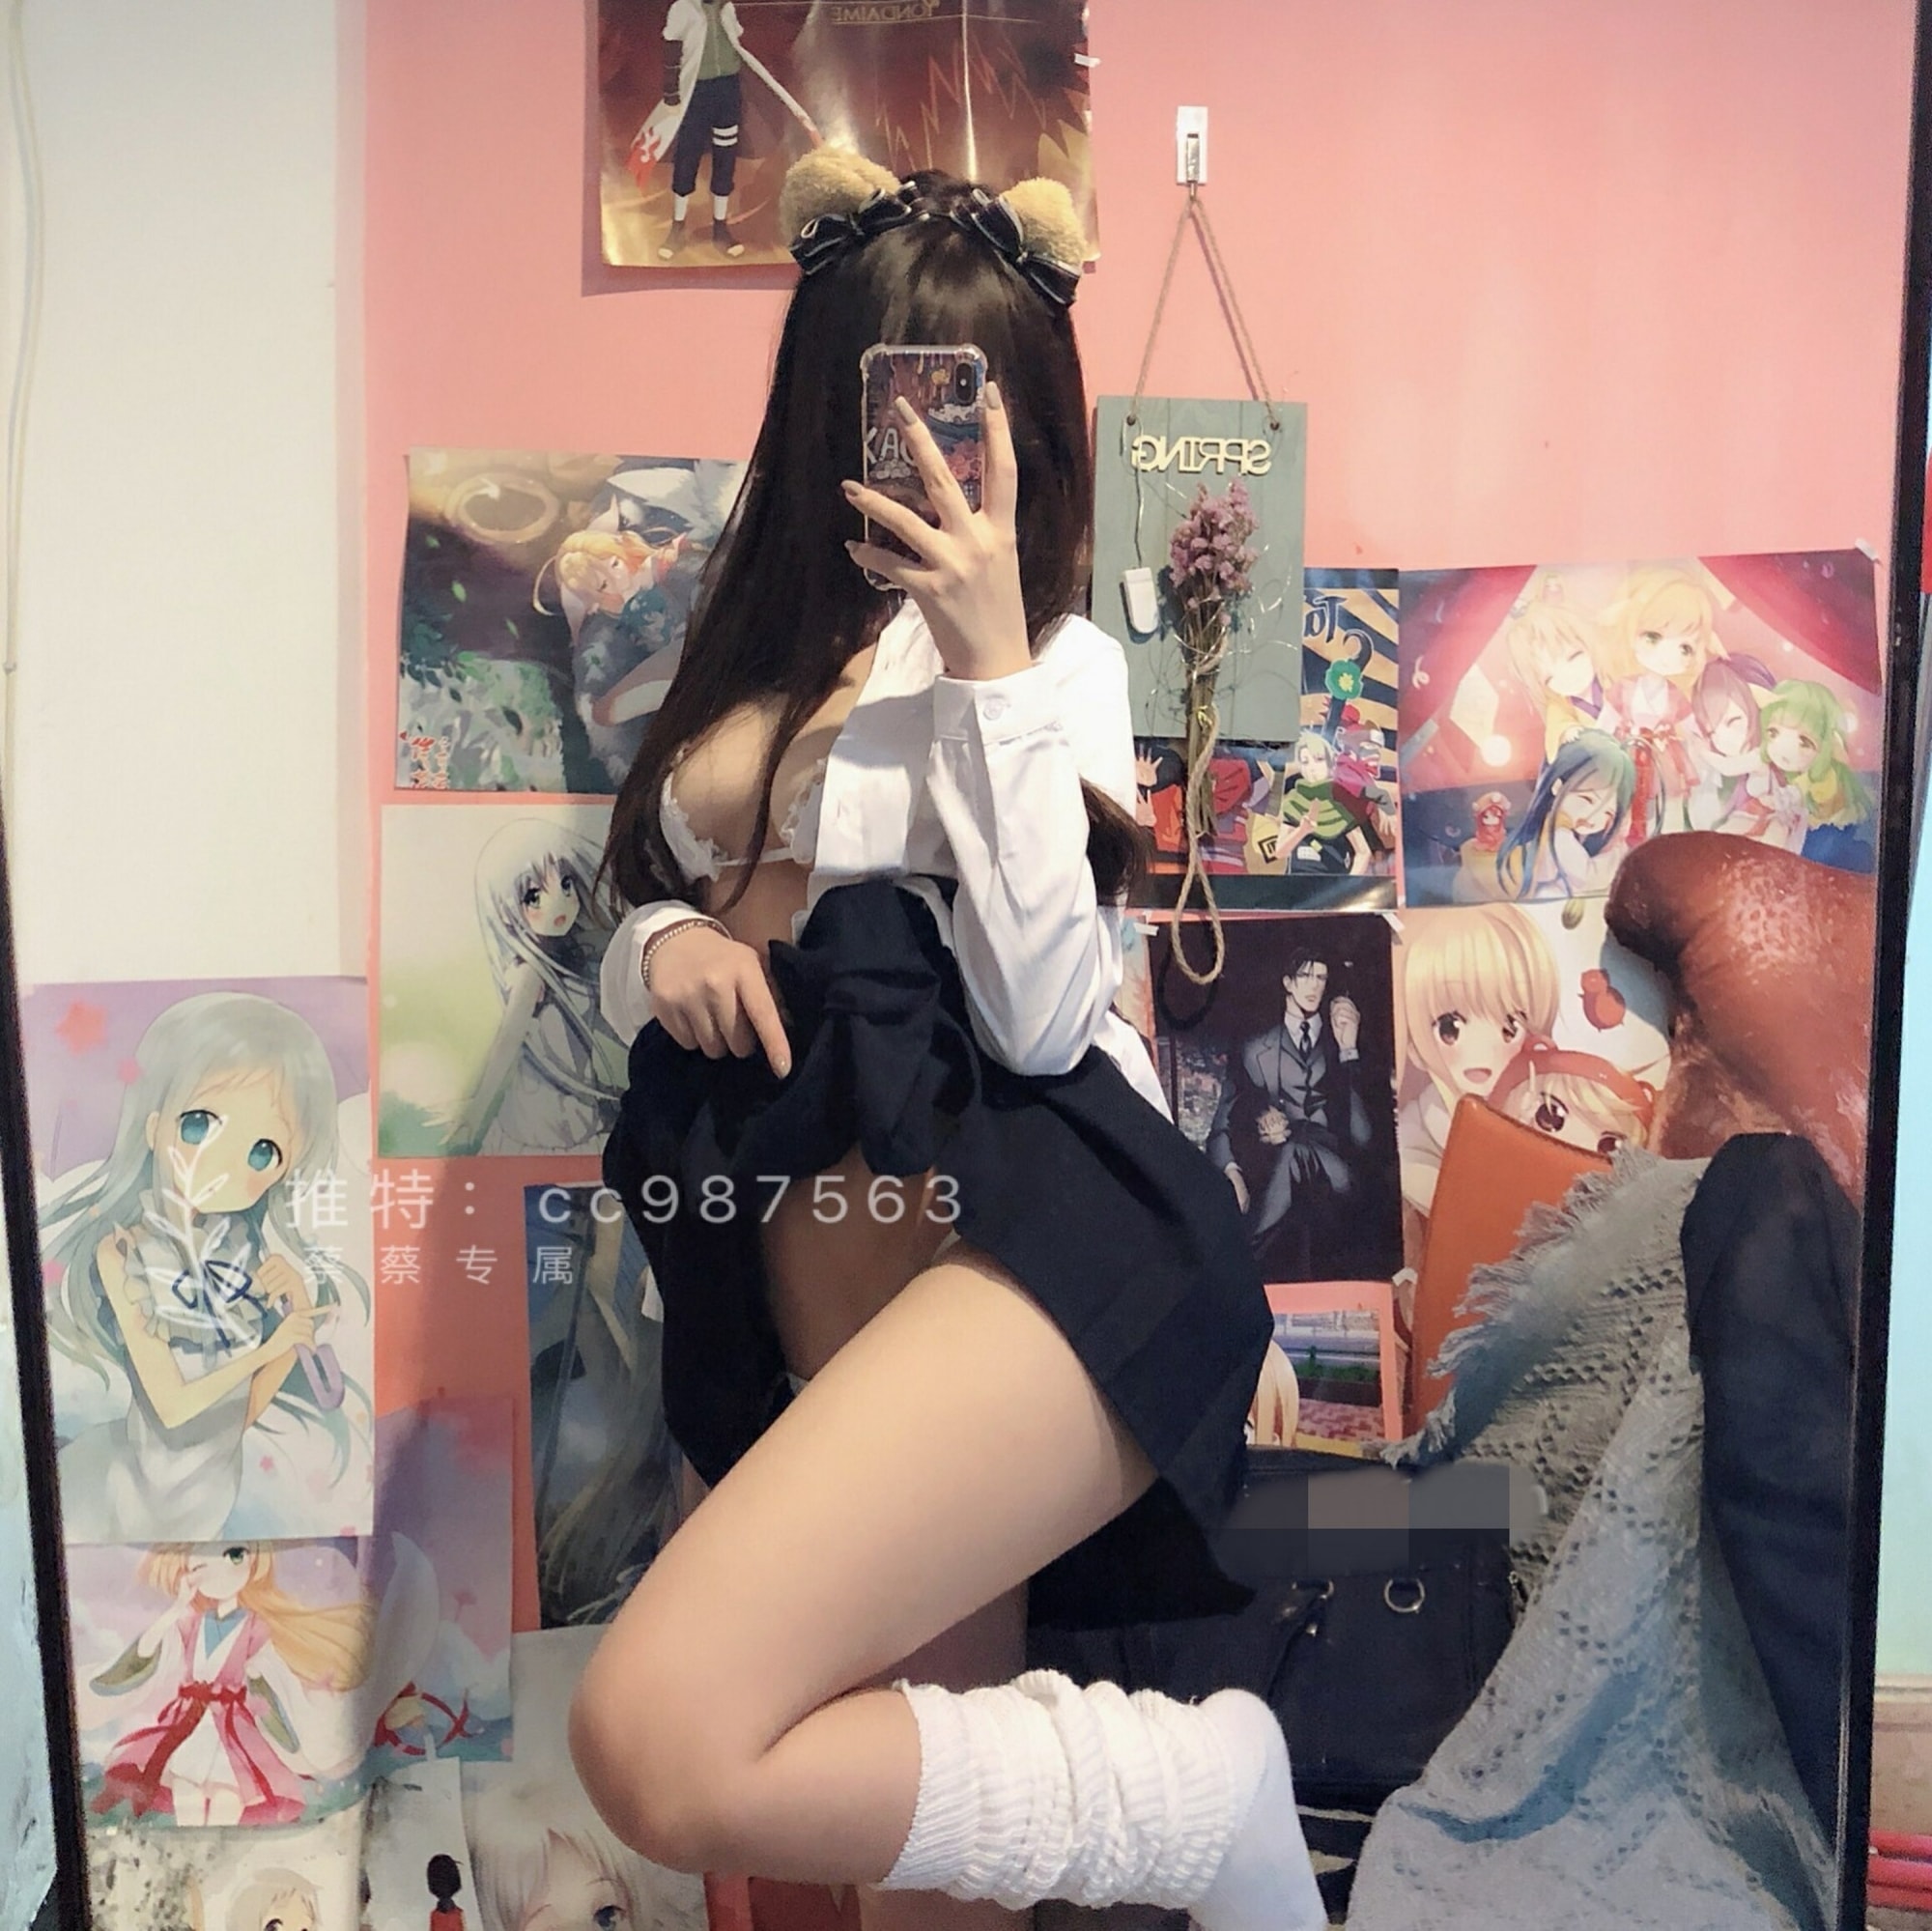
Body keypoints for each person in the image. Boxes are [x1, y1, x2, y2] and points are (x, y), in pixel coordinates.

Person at [568, 149, 1322, 1931]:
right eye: (892, 401)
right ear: (825, 412)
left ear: (1026, 430)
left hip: (1024, 1238)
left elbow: (1048, 1011)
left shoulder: (1055, 667)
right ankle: (1193, 1801)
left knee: (661, 1730)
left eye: (966, 410)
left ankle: (1207, 1796)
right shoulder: (742, 655)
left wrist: (986, 666)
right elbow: (638, 903)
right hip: (805, 1261)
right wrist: (666, 945)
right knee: (914, 1857)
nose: (927, 445)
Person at [1207, 950, 1374, 1279]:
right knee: (1291, 1154)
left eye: (1321, 978)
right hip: (1273, 1172)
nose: (1314, 986)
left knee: (1296, 1153)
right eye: (1305, 976)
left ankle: (1241, 1260)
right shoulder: (1255, 1049)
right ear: (1287, 982)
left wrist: (1348, 1052)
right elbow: (1222, 1125)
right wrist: (1231, 1173)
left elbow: (1363, 1136)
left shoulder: (1343, 1043)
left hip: (1338, 1175)